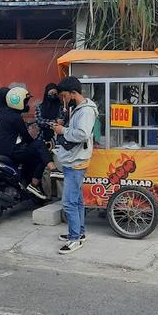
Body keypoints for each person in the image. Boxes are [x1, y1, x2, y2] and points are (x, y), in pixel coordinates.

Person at [53, 76, 98, 254]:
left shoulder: (85, 111)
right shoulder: (80, 109)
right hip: (75, 159)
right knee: (77, 200)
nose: (63, 99)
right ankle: (79, 232)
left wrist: (62, 130)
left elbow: (81, 134)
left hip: (76, 162)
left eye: (64, 95)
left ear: (73, 93)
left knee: (69, 202)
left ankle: (74, 239)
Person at [0, 86, 54, 200]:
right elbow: (26, 137)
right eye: (25, 101)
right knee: (41, 149)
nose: (26, 104)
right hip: (11, 152)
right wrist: (36, 144)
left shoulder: (1, 114)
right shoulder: (16, 117)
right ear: (18, 101)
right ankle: (41, 179)